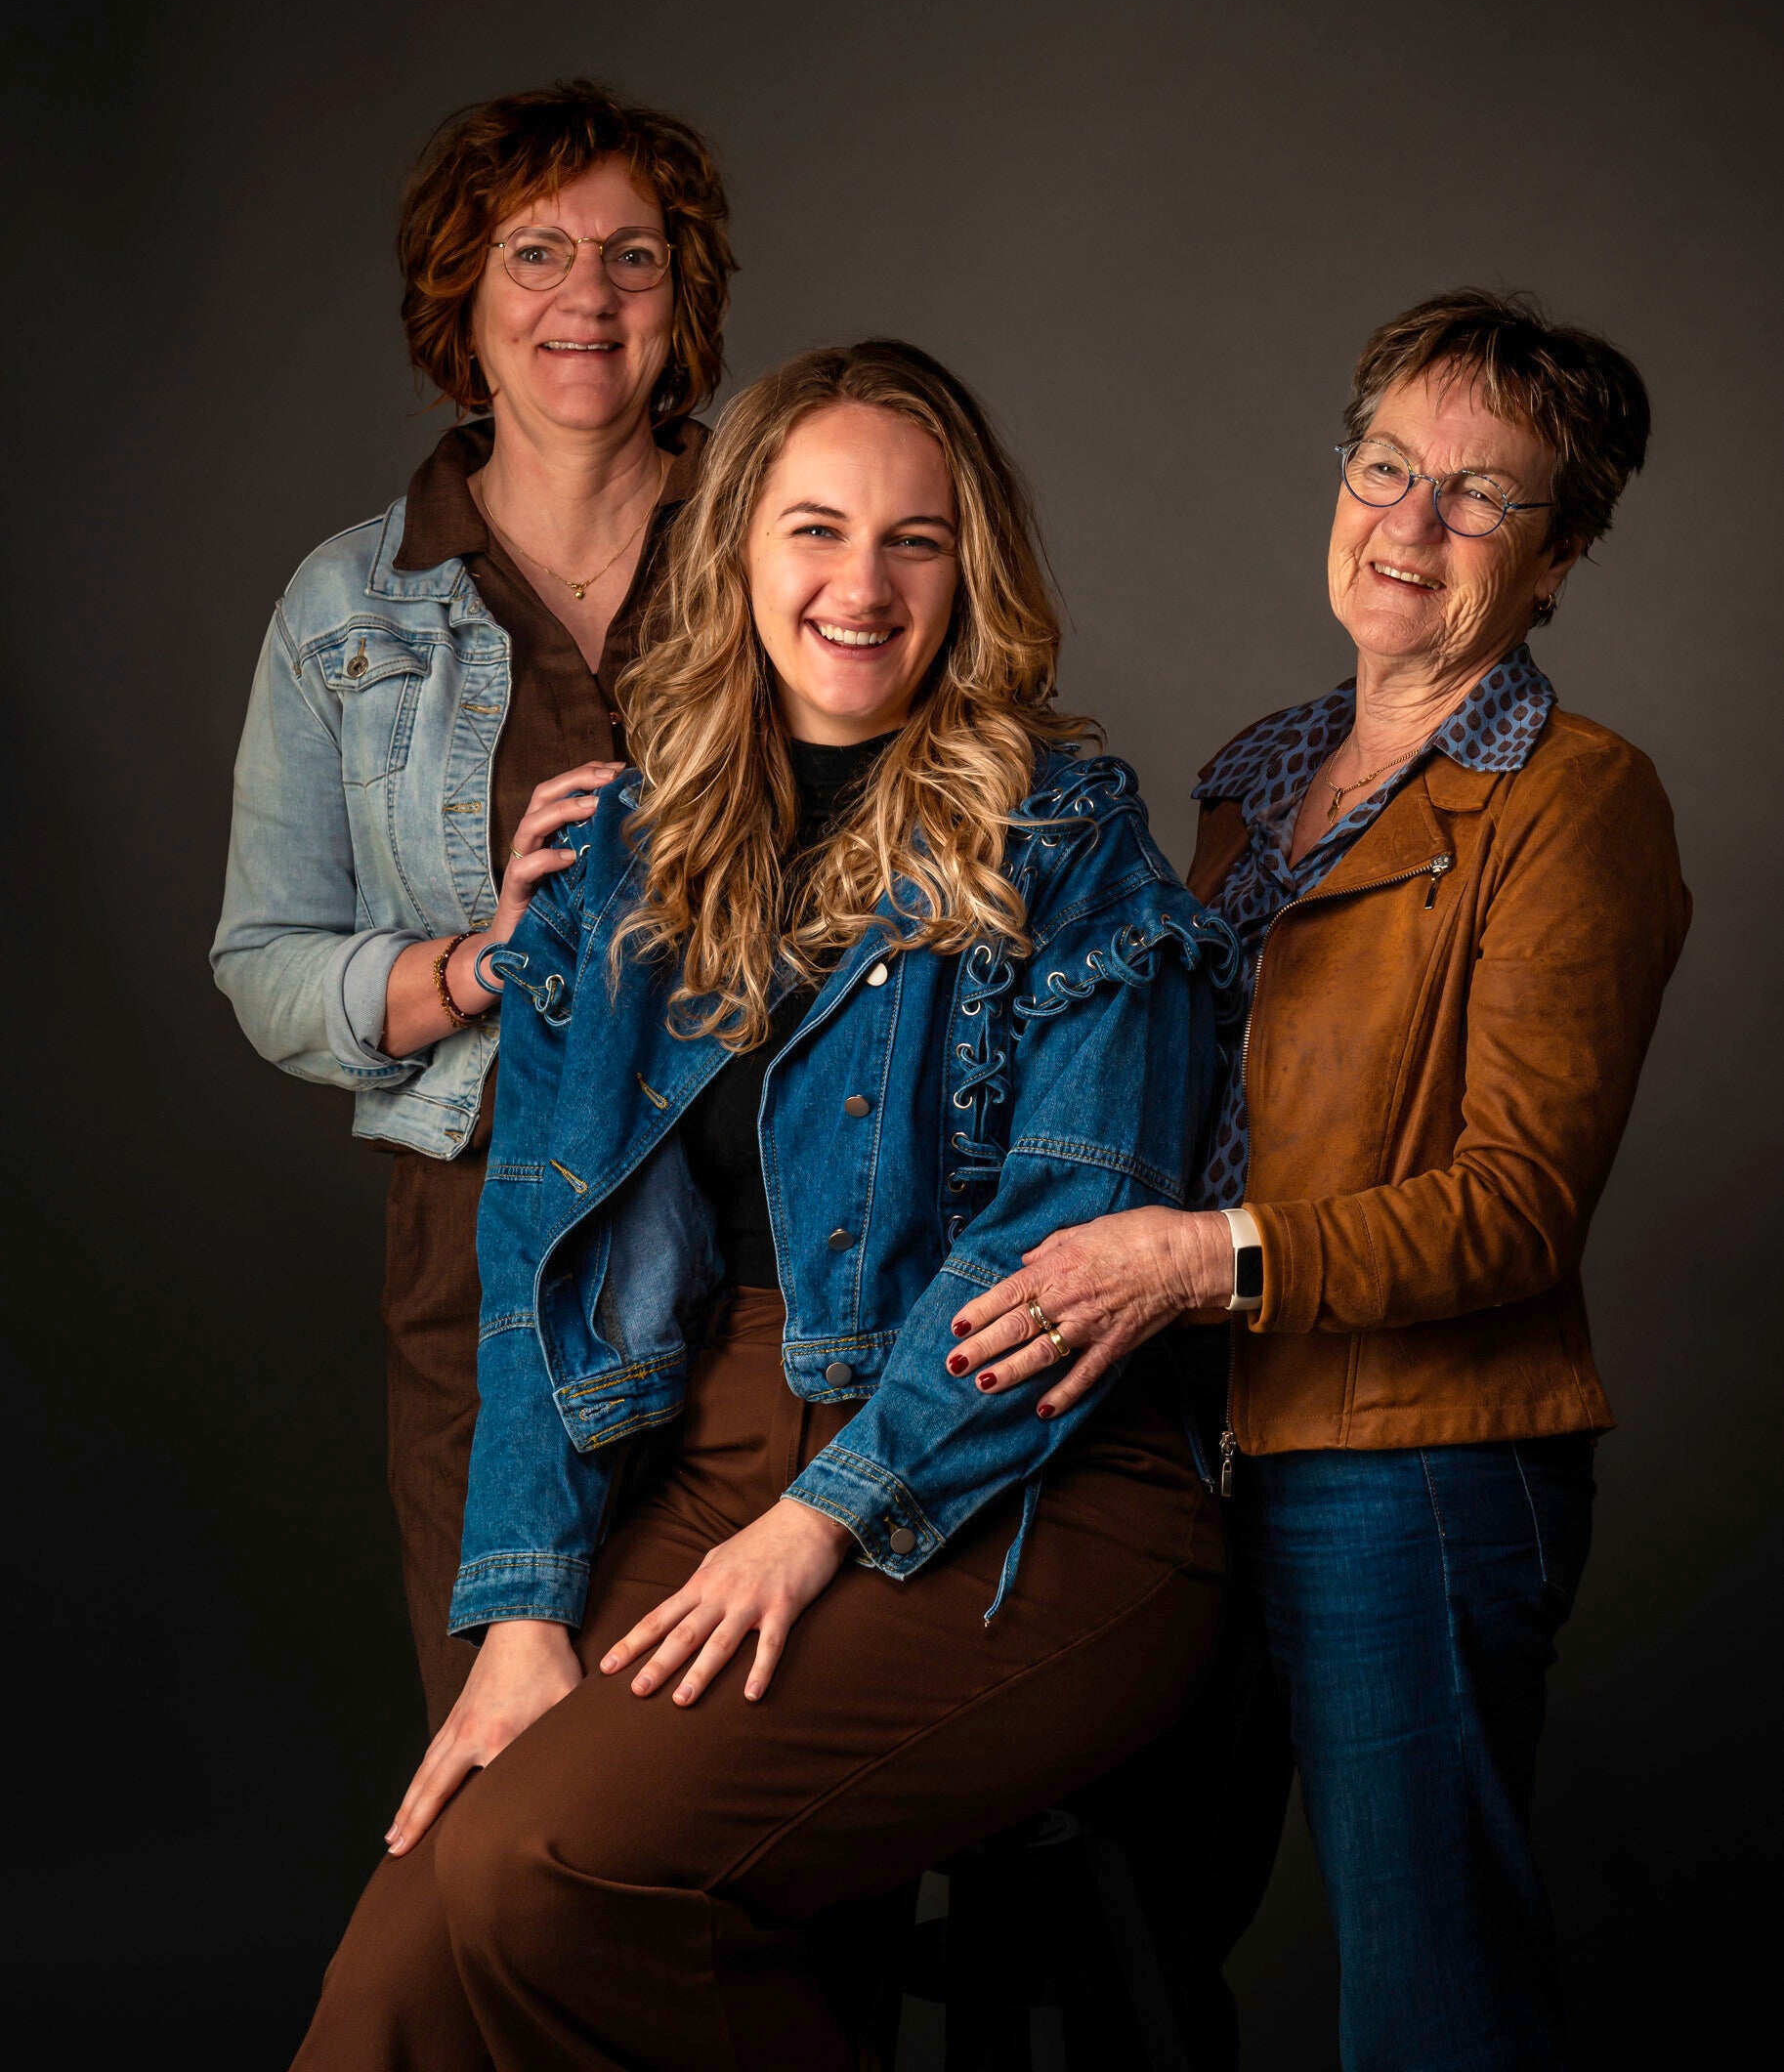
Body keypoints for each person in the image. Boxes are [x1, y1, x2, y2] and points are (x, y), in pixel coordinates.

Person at [292, 339, 1234, 2071]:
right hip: (707, 1455)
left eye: (913, 541)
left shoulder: (1067, 841)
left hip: (1023, 1478)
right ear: (736, 548)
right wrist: (523, 1611)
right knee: (405, 1963)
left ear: (970, 572)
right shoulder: (628, 853)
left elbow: (1057, 1254)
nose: (859, 588)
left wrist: (816, 1525)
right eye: (815, 530)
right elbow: (535, 1253)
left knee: (538, 1877)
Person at [951, 288, 1691, 2069]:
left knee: (1429, 1997)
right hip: (1179, 1443)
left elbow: (1514, 1205)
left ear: (1559, 556)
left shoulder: (1574, 800)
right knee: (1123, 1962)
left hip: (1413, 1468)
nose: (1409, 522)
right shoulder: (1256, 775)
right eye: (1383, 466)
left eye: (1480, 494)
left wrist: (1190, 1261)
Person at [212, 77, 736, 1728]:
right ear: (464, 293)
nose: (589, 295)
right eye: (537, 252)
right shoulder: (346, 603)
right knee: (511, 1776)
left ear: (683, 297)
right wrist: (473, 965)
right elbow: (265, 960)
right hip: (487, 1257)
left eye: (634, 255)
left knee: (743, 1779)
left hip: (777, 1235)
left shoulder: (789, 545)